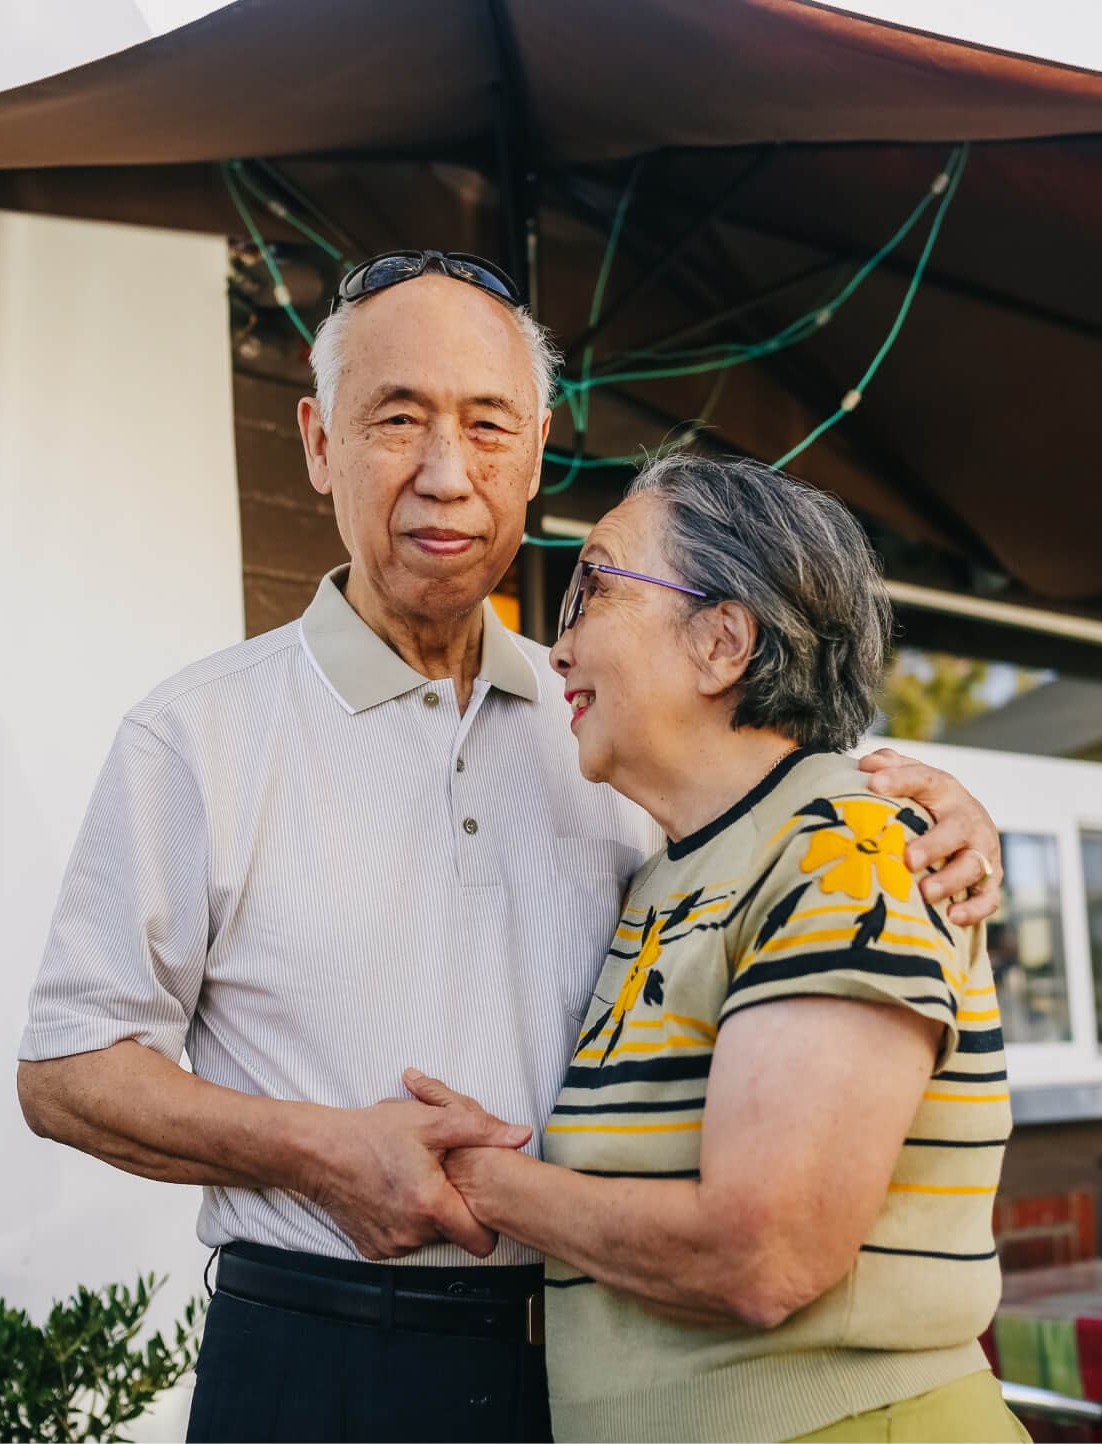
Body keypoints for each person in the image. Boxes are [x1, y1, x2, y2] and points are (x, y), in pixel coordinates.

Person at [14, 250, 1005, 1444]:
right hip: (326, 1360)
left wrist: (936, 807)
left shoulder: (607, 721)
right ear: (320, 442)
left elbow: (778, 842)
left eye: (488, 426)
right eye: (396, 419)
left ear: (536, 455)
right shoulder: (196, 734)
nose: (447, 474)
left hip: (612, 1351)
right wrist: (325, 1153)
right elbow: (67, 1068)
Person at [407, 453, 1025, 1443]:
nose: (557, 649)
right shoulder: (674, 872)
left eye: (592, 586)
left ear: (720, 640)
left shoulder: (846, 851)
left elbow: (760, 1257)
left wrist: (476, 1180)